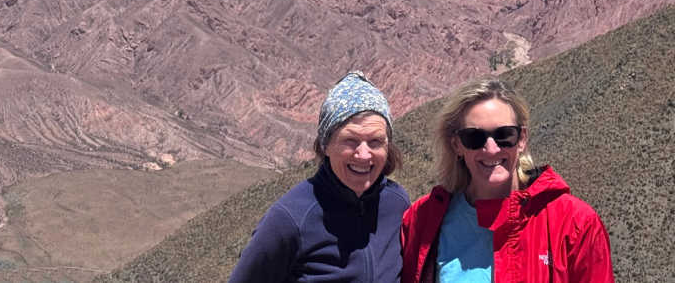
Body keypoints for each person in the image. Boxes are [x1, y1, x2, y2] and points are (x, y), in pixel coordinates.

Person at [400, 78, 614, 282]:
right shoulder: (423, 220)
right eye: (474, 138)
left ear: (521, 139)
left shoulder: (574, 224)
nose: (491, 149)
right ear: (457, 145)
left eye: (504, 135)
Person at [230, 72, 409, 282]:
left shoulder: (397, 204)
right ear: (326, 145)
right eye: (350, 141)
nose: (363, 154)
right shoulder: (290, 219)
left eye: (375, 142)